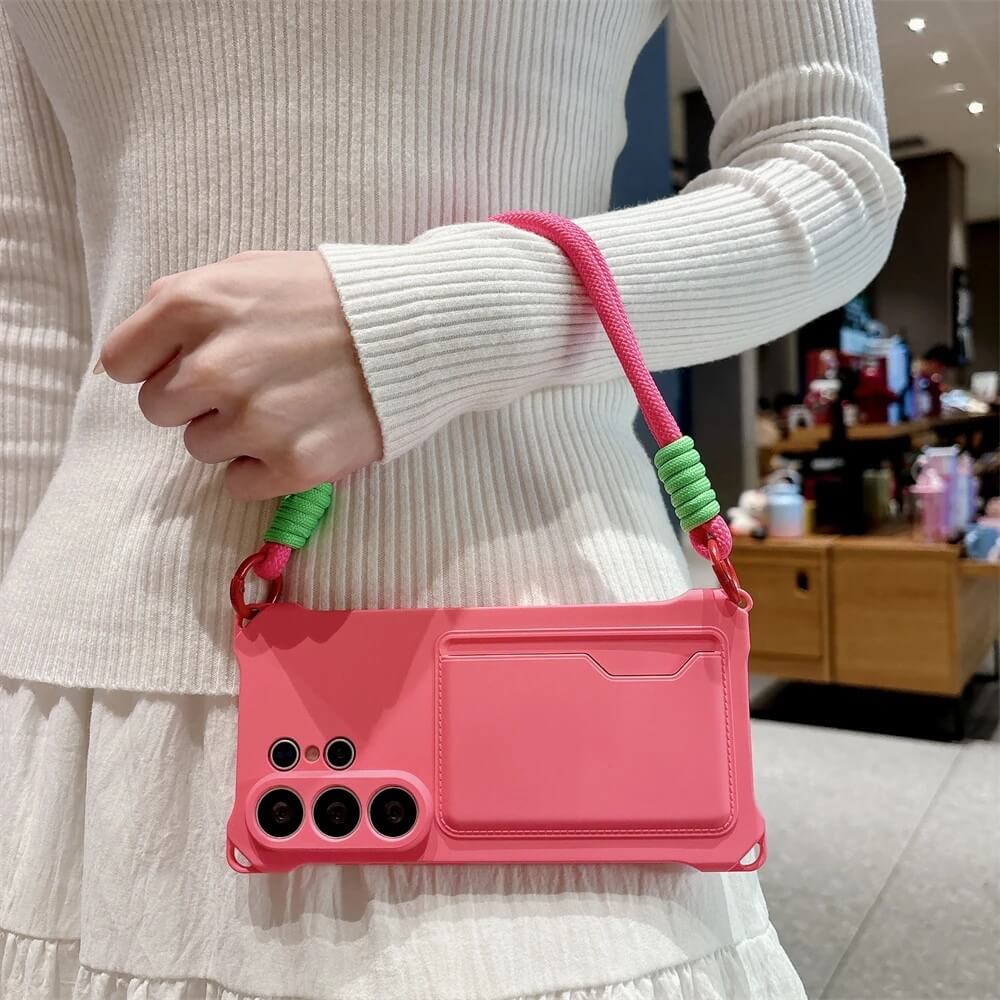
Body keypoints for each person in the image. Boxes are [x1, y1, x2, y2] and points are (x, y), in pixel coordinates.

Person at [0, 1, 903, 998]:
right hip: (78, 700)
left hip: (538, 671)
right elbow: (30, 301)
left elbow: (834, 168)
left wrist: (427, 319)